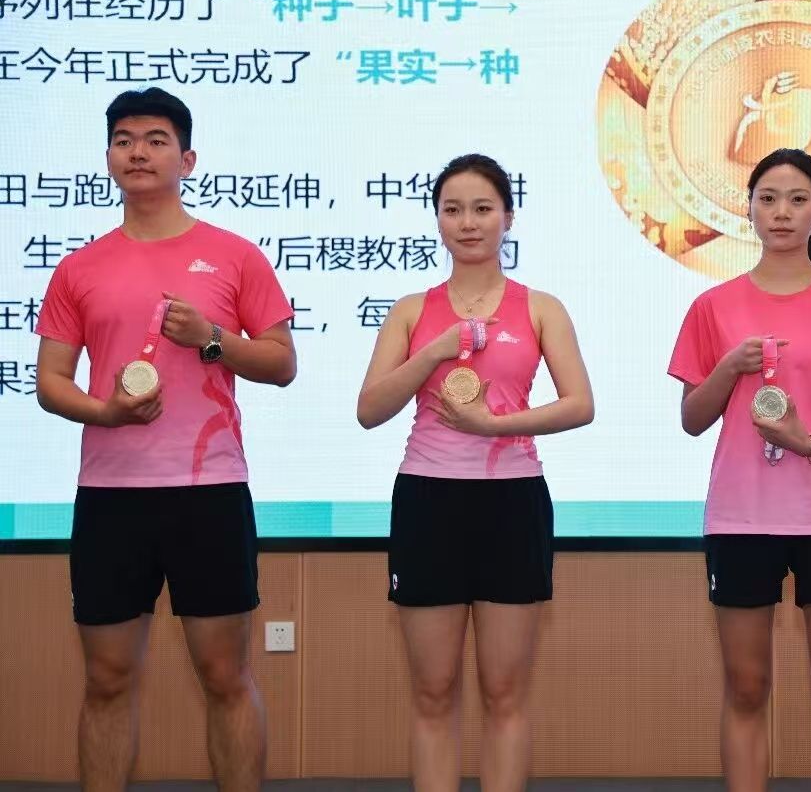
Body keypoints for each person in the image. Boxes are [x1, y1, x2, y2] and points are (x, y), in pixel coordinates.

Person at [34, 87, 297, 792]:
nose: (138, 152)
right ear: (109, 158)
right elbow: (51, 381)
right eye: (124, 140)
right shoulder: (79, 267)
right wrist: (108, 413)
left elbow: (281, 363)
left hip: (209, 490)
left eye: (155, 140)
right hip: (111, 495)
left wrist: (212, 338)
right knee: (106, 678)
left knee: (226, 674)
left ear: (187, 159)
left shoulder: (234, 255)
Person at [356, 153, 594, 792]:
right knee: (433, 691)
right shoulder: (412, 310)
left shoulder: (540, 308)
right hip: (428, 501)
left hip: (511, 502)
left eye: (483, 209)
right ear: (437, 219)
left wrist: (494, 426)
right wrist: (433, 352)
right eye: (453, 210)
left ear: (507, 218)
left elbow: (580, 404)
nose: (468, 223)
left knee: (504, 691)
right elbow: (370, 410)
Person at [668, 148, 811, 792]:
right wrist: (727, 369)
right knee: (746, 686)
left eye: (798, 199)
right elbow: (692, 418)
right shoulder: (713, 307)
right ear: (747, 209)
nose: (782, 212)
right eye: (767, 198)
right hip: (741, 517)